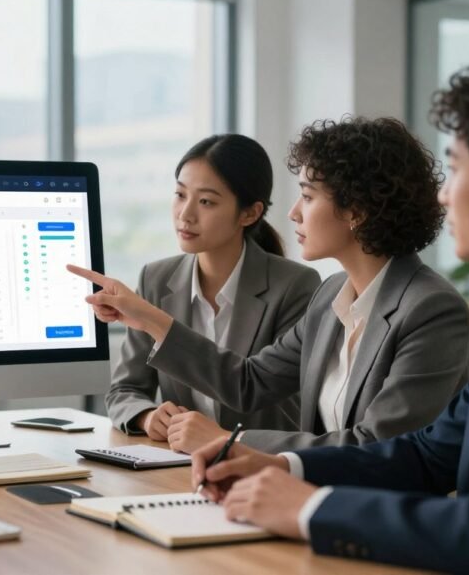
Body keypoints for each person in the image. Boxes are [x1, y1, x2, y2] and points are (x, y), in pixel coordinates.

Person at [187, 55, 469, 574]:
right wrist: (284, 465)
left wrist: (309, 508)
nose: (443, 194)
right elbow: (429, 455)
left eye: (458, 167)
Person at [72, 117, 469, 455]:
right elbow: (249, 384)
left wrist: (231, 441)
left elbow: (376, 446)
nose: (294, 213)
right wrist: (147, 318)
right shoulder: (331, 295)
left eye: (308, 197)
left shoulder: (430, 309)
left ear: (357, 212)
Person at [105, 134, 320, 444]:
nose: (185, 213)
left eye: (206, 201)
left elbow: (254, 391)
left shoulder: (296, 286)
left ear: (249, 213)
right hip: (178, 465)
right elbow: (125, 389)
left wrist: (156, 322)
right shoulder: (156, 278)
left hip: (258, 467)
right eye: (180, 194)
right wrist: (148, 416)